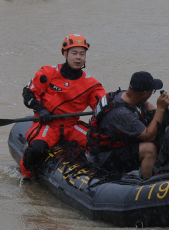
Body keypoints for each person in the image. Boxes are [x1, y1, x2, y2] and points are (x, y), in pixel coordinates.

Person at [19, 34, 106, 177]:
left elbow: (104, 108)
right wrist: (40, 109)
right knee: (36, 149)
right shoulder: (47, 73)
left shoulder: (91, 84)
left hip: (71, 126)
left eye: (82, 54)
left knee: (102, 145)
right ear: (65, 54)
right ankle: (27, 176)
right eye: (74, 53)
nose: (78, 57)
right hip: (48, 124)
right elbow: (28, 94)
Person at [86, 71, 169, 180]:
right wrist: (161, 109)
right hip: (103, 159)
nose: (151, 94)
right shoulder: (122, 113)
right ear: (143, 93)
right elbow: (149, 136)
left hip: (114, 146)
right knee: (149, 148)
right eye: (152, 91)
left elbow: (146, 104)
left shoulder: (126, 95)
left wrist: (157, 114)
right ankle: (148, 184)